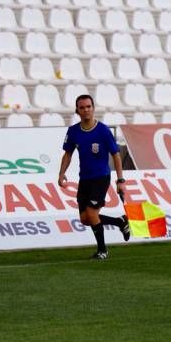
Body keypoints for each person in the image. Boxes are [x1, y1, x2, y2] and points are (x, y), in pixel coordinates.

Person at [58, 94, 130, 260]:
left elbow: (116, 155)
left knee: (91, 213)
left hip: (101, 178)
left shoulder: (103, 130)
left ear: (93, 108)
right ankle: (120, 222)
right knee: (85, 219)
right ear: (77, 110)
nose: (86, 110)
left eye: (88, 107)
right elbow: (67, 154)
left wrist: (120, 180)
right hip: (84, 179)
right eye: (82, 107)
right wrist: (62, 173)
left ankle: (102, 250)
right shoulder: (73, 131)